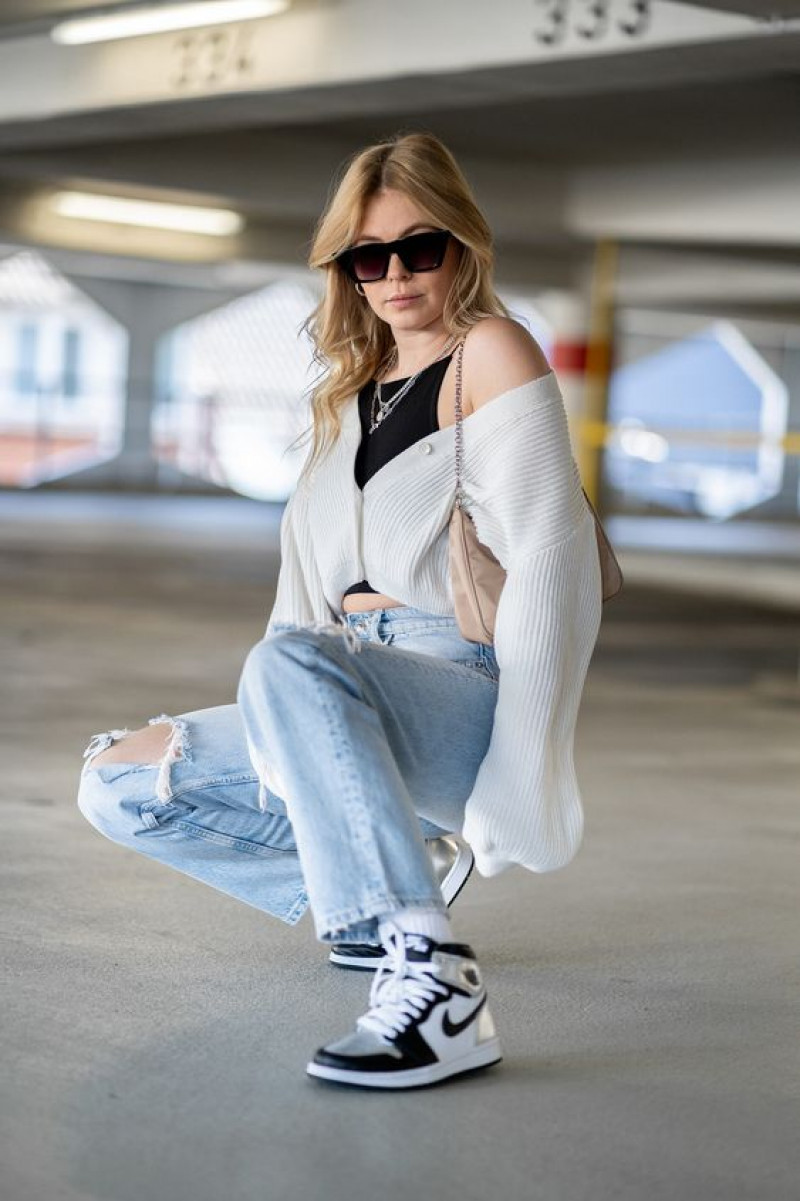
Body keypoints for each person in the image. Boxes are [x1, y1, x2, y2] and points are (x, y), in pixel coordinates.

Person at [76, 131, 603, 1090]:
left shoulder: (491, 349)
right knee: (114, 784)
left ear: (462, 246)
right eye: (369, 256)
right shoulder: (346, 395)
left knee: (290, 662)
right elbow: (297, 600)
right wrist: (287, 734)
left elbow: (553, 567)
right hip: (336, 684)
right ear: (347, 271)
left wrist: (526, 765)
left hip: (460, 687)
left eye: (420, 248)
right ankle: (399, 881)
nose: (395, 273)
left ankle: (436, 983)